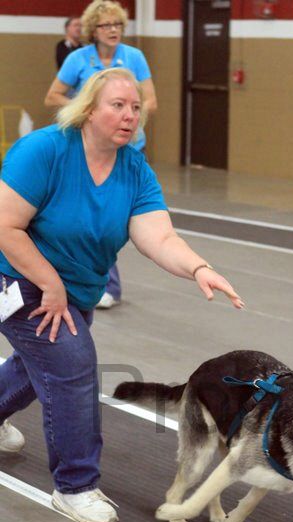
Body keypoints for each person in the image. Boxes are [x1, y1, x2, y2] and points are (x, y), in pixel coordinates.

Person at [0, 68, 243, 522]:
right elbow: (5, 226)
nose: (130, 115)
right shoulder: (44, 150)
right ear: (89, 108)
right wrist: (50, 284)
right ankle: (75, 487)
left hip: (74, 290)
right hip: (15, 276)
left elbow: (159, 237)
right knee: (71, 364)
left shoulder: (133, 168)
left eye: (135, 107)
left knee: (36, 367)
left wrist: (199, 267)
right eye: (117, 105)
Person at [45, 0, 158, 309]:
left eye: (118, 25)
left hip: (129, 148)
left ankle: (104, 283)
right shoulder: (78, 59)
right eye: (106, 25)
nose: (113, 31)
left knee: (113, 217)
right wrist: (84, 111)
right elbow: (52, 95)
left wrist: (127, 117)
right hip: (88, 149)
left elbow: (150, 101)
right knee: (89, 216)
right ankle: (99, 283)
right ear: (92, 30)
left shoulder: (134, 57)